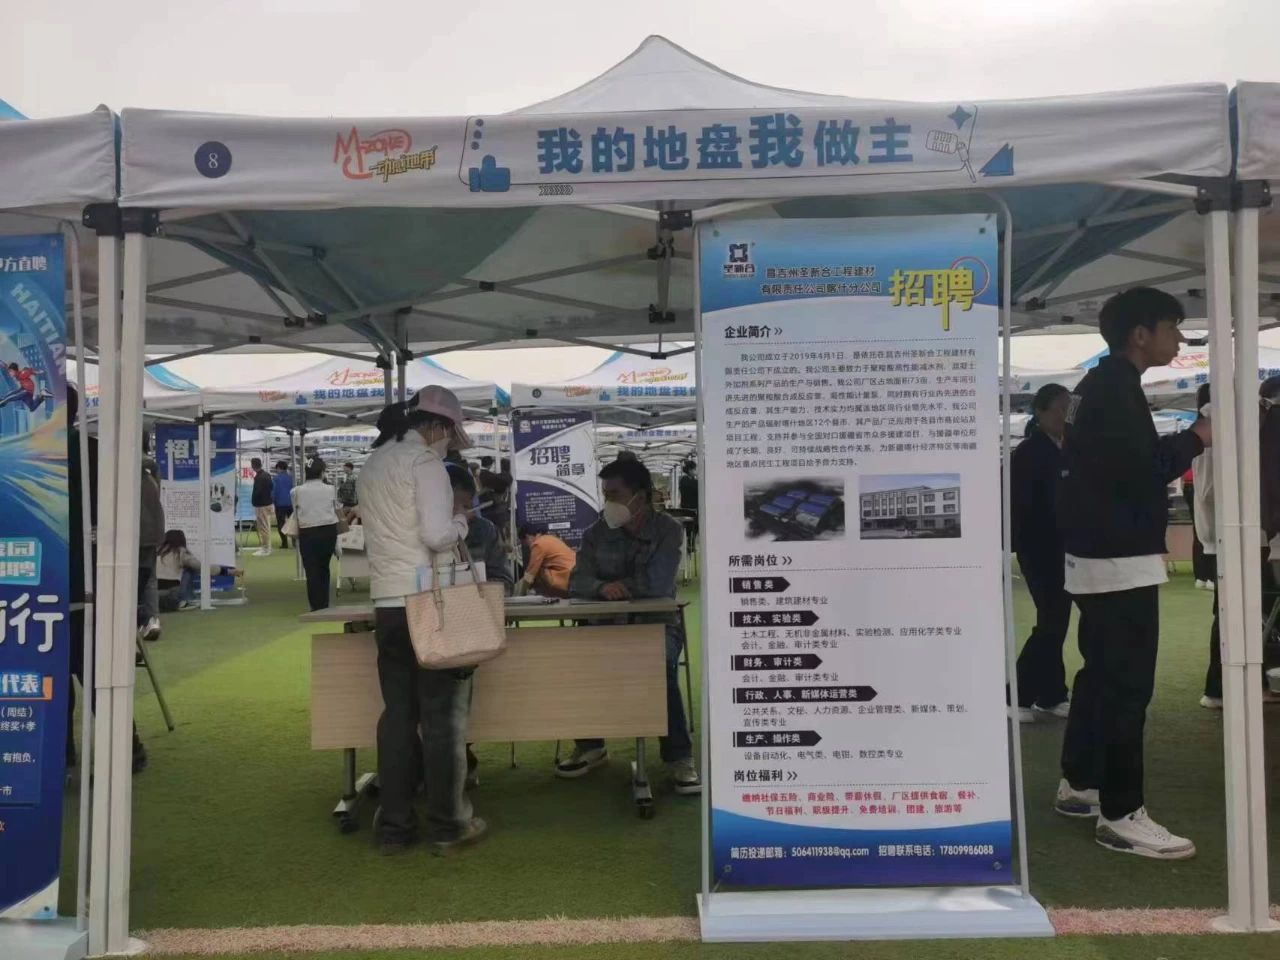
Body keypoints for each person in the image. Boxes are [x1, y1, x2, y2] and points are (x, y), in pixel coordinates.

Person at [1055, 287, 1209, 860]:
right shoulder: (1115, 387)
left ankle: (1080, 784)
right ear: (1140, 334)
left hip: (1097, 555)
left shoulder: (1098, 385)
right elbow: (1142, 469)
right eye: (1172, 327)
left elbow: (1118, 463)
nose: (1179, 339)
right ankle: (1121, 814)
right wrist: (1196, 438)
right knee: (1126, 687)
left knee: (1100, 676)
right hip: (1117, 559)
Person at [358, 386, 487, 855]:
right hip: (429, 602)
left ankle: (394, 826)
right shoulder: (425, 464)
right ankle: (449, 824)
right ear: (437, 426)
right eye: (450, 433)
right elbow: (436, 535)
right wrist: (461, 522)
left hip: (387, 602)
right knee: (443, 718)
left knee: (397, 716)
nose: (450, 442)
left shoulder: (373, 464)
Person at [558, 458, 700, 795]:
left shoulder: (668, 530)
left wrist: (619, 586)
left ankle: (679, 757)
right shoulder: (595, 533)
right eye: (605, 494)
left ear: (641, 495)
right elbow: (577, 581)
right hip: (603, 626)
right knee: (578, 663)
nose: (609, 502)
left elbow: (659, 582)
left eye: (615, 494)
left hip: (656, 625)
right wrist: (600, 588)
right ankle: (591, 745)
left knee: (659, 665)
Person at [65, 386, 148, 774]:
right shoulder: (98, 453)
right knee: (99, 673)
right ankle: (125, 750)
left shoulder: (26, 456)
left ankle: (59, 756)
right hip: (96, 583)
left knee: (54, 675)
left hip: (44, 587)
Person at [1197, 379, 1280, 708]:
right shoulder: (1217, 430)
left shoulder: (1224, 428)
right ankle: (1222, 688)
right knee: (1234, 611)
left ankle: (1234, 686)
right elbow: (1210, 491)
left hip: (1241, 534)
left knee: (1239, 610)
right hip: (1234, 535)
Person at [1010, 383, 1072, 722]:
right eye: (1060, 408)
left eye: (1069, 408)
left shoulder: (1068, 447)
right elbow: (1022, 509)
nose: (1065, 415)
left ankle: (1051, 693)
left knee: (1056, 621)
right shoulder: (1029, 453)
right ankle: (1017, 692)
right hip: (1039, 550)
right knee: (1051, 621)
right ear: (1040, 411)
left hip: (1066, 550)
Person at [291, 457, 341, 612]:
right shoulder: (331, 489)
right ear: (322, 472)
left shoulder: (296, 491)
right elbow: (336, 508)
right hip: (328, 531)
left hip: (307, 532)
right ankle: (324, 603)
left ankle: (315, 605)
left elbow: (296, 513)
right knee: (324, 567)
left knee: (311, 570)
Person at [156, 528, 242, 611]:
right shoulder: (181, 553)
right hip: (173, 595)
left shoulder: (156, 553)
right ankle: (184, 601)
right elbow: (203, 568)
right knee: (189, 569)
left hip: (153, 595)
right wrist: (227, 571)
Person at [138, 454, 165, 642]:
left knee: (135, 580)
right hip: (153, 535)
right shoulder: (152, 479)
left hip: (135, 536)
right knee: (150, 579)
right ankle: (153, 619)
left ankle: (141, 619)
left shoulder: (126, 478)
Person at [516, 525, 575, 598]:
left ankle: (549, 596)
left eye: (525, 543)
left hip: (566, 579)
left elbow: (530, 573)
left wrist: (521, 595)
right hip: (573, 575)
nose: (527, 547)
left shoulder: (538, 544)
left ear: (527, 537)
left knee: (538, 571)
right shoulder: (551, 538)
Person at [250, 458, 274, 556]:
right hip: (267, 503)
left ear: (253, 466)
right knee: (266, 526)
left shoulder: (260, 477)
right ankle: (267, 547)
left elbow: (258, 492)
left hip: (261, 505)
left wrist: (254, 501)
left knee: (263, 527)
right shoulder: (267, 475)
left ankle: (265, 548)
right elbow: (271, 487)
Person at [273, 461, 296, 549]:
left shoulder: (275, 479)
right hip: (291, 504)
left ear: (278, 468)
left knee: (281, 523)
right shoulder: (292, 478)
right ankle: (294, 542)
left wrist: (273, 501)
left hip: (279, 504)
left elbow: (273, 492)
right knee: (293, 523)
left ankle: (284, 543)